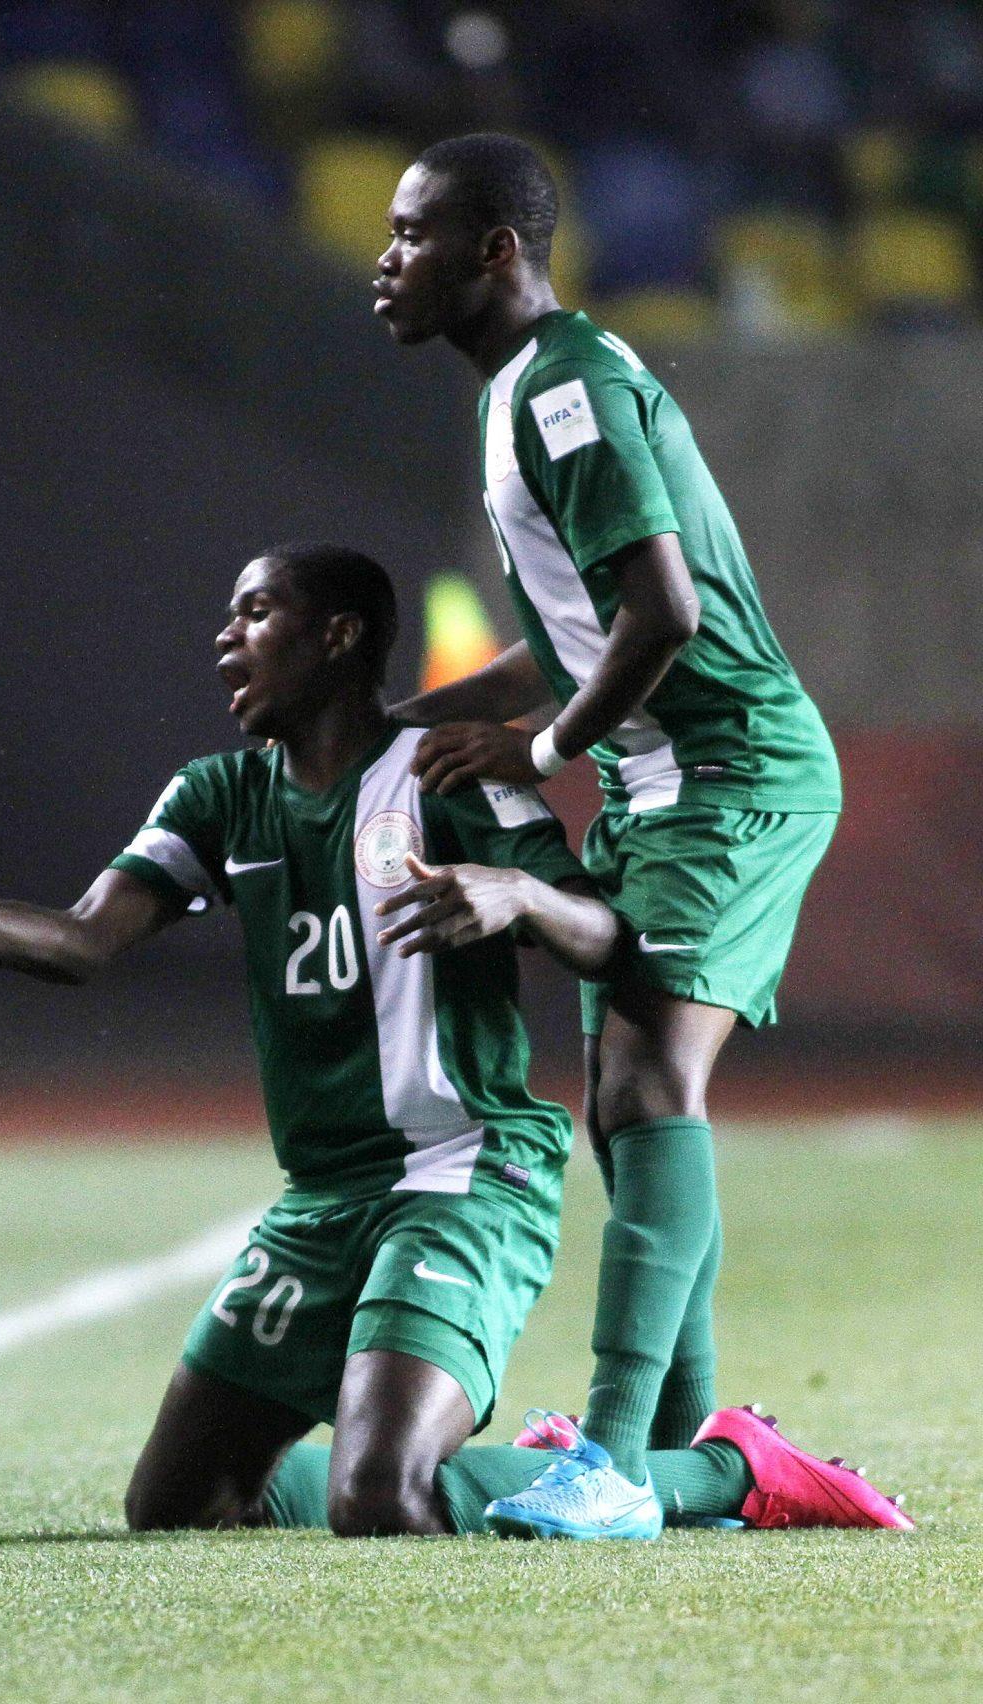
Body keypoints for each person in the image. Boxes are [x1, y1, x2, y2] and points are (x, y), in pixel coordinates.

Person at [0, 544, 906, 1538]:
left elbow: (610, 938)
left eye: (256, 612)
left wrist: (518, 894)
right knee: (178, 1504)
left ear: (340, 636)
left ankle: (729, 1468)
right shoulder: (216, 795)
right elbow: (80, 941)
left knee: (379, 1499)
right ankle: (516, 1458)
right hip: (321, 1199)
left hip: (464, 1176)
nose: (225, 638)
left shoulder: (448, 772)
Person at [374, 133, 849, 1537]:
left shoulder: (564, 390)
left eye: (412, 233)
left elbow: (664, 615)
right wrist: (399, 723)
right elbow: (576, 635)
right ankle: (693, 1445)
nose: (385, 261)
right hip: (662, 782)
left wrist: (535, 752)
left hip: (730, 769)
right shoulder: (523, 389)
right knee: (623, 1103)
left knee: (649, 1084)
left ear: (494, 251)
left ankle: (621, 1462)